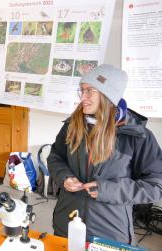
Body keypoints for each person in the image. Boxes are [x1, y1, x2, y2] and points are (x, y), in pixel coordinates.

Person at [47, 64, 162, 244]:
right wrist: (64, 177)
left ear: (108, 95)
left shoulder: (137, 136)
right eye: (82, 90)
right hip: (67, 222)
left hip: (109, 230)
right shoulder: (72, 125)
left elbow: (155, 186)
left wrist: (106, 190)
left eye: (90, 91)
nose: (83, 97)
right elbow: (55, 157)